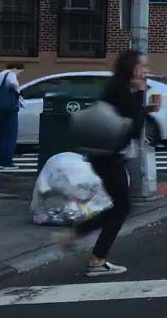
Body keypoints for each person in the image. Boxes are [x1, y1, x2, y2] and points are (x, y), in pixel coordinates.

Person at [60, 49, 157, 277]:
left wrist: (143, 104)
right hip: (109, 156)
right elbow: (132, 127)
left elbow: (124, 117)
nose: (147, 70)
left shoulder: (117, 87)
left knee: (121, 206)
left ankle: (80, 239)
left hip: (106, 155)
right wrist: (141, 99)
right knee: (122, 207)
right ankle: (95, 257)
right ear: (133, 67)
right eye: (143, 65)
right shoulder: (121, 90)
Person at [0, 62, 25, 169]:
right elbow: (13, 83)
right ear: (16, 68)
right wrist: (18, 92)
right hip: (9, 109)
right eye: (20, 72)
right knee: (9, 135)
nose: (19, 74)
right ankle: (7, 162)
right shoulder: (11, 74)